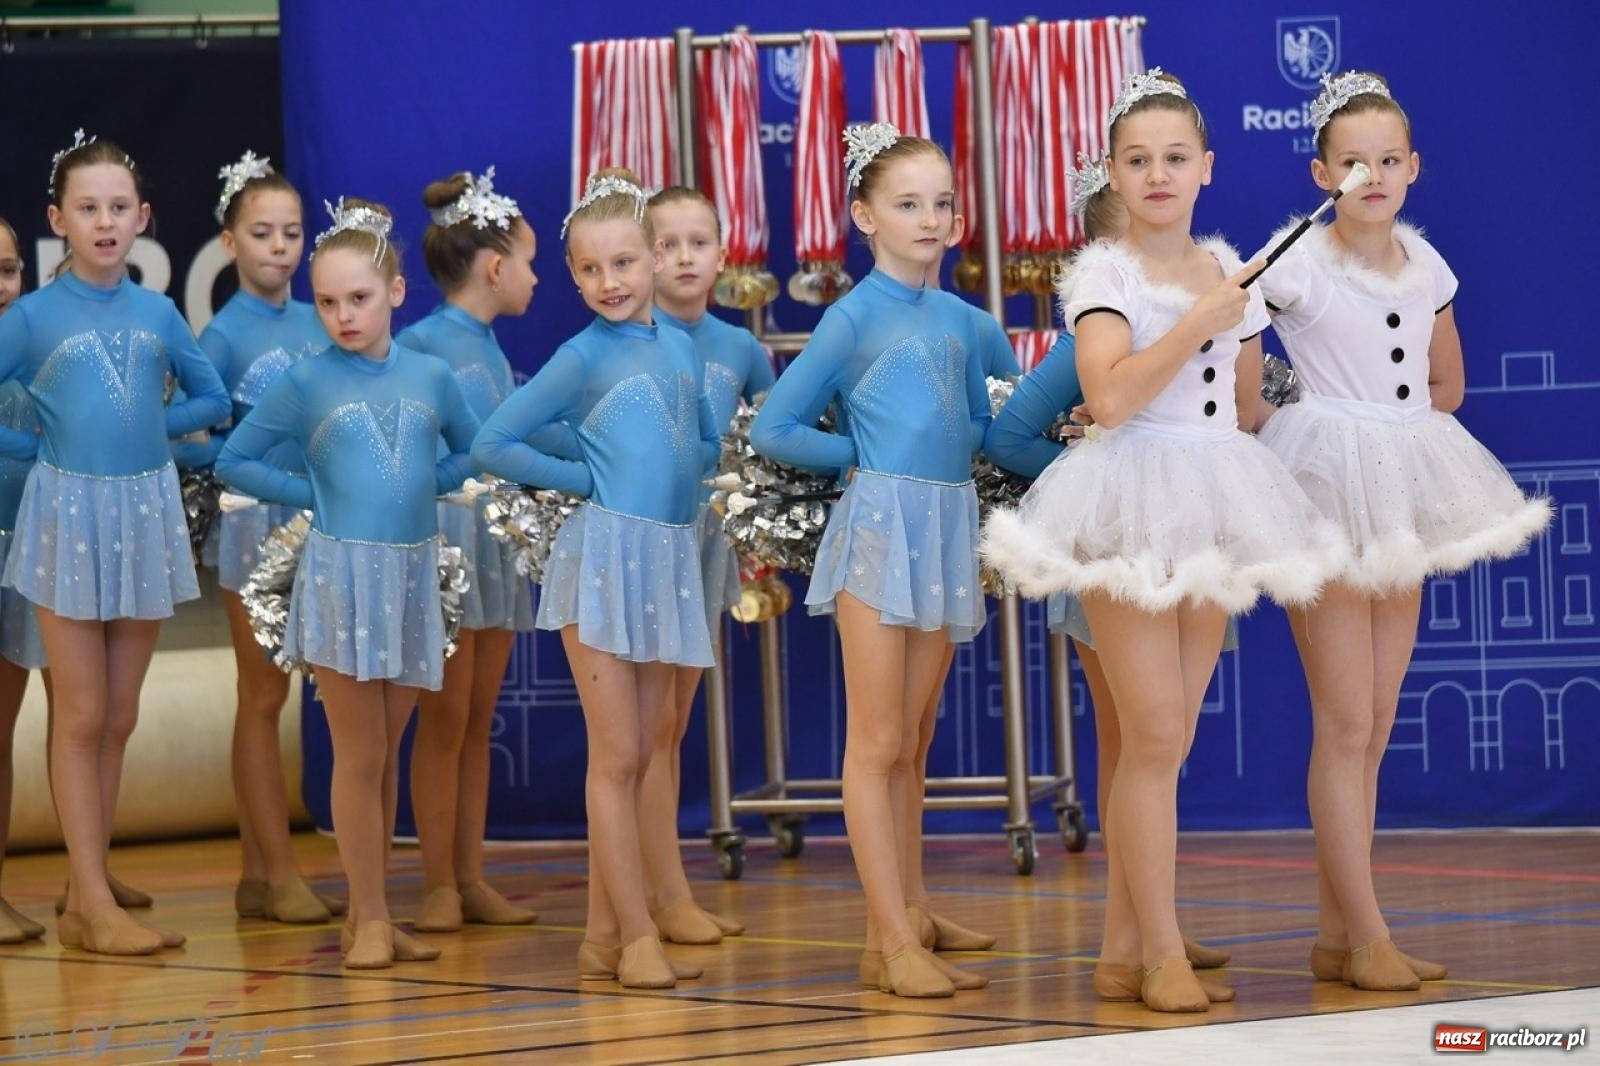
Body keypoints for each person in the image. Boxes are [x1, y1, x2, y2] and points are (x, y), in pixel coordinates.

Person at [982, 72, 1342, 1011]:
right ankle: (1161, 957)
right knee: (1147, 735)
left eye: (1175, 158)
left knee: (1169, 740)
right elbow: (1107, 398)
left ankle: (1124, 951)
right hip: (1126, 497)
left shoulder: (1227, 266)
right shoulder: (1104, 275)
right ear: (1113, 171)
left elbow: (1250, 406)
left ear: (1207, 168)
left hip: (1215, 496)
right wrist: (1196, 322)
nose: (1157, 174)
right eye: (1137, 160)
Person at [1252, 71, 1551, 991]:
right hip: (1327, 486)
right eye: (1352, 161)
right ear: (1321, 173)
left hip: (1404, 482)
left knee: (1376, 725)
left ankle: (1341, 935)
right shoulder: (1296, 261)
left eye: (1388, 159)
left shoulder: (1429, 267)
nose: (1371, 175)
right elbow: (1232, 355)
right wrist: (1301, 424)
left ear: (1414, 168)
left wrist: (1395, 434)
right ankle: (1368, 932)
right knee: (1343, 723)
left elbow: (1445, 386)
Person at [751, 125, 991, 999]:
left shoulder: (967, 321)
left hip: (945, 527)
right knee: (879, 739)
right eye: (907, 204)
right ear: (864, 216)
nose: (929, 219)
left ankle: (908, 918)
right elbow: (775, 427)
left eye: (942, 204)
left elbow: (983, 427)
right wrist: (857, 457)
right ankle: (892, 941)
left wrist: (1069, 429)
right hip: (882, 531)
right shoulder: (850, 317)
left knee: (915, 741)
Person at [217, 197, 480, 968]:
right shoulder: (305, 382)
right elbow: (236, 459)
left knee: (387, 753)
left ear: (396, 293)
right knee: (359, 754)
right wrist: (316, 495)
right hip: (338, 574)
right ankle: (365, 919)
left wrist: (435, 480)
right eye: (327, 302)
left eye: (358, 298)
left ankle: (374, 911)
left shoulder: (432, 375)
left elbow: (474, 451)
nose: (342, 315)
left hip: (410, 574)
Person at [472, 169, 717, 989]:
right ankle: (636, 936)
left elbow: (703, 444)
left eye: (623, 263)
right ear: (573, 276)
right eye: (589, 269)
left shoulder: (681, 346)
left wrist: (682, 487)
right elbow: (495, 443)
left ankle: (600, 935)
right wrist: (588, 481)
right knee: (615, 756)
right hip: (605, 559)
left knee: (649, 748)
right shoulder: (579, 358)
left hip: (668, 554)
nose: (609, 282)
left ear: (653, 259)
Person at [0, 131, 230, 954]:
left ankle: (83, 894)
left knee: (121, 714)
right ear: (57, 218)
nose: (104, 222)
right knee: (83, 710)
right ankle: (92, 905)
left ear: (144, 220)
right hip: (67, 516)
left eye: (119, 208)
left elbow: (210, 397)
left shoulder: (158, 310)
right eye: (87, 208)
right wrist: (42, 447)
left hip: (142, 513)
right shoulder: (28, 319)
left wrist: (146, 433)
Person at [192, 151, 345, 925]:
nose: (279, 247)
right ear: (229, 243)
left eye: (291, 232)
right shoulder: (220, 337)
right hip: (253, 526)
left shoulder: (315, 321)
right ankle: (277, 871)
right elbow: (201, 440)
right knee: (263, 694)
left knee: (288, 697)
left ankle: (260, 875)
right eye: (261, 233)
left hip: (315, 521)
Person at [397, 167, 541, 934]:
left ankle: (469, 873)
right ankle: (435, 885)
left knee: (477, 717)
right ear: (493, 267)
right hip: (440, 543)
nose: (535, 276)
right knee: (444, 717)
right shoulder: (420, 344)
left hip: (489, 540)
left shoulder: (484, 346)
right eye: (529, 260)